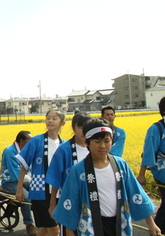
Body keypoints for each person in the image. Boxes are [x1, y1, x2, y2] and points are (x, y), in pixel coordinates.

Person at [53, 118, 160, 236]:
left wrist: (151, 224)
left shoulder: (120, 165)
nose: (102, 146)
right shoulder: (78, 171)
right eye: (97, 142)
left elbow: (136, 193)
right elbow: (71, 202)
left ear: (112, 141)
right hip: (91, 225)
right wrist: (69, 232)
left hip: (119, 222)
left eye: (106, 141)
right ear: (87, 143)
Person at [16, 109, 65, 236]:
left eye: (54, 118)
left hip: (58, 192)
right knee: (54, 230)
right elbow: (24, 165)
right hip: (40, 192)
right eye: (48, 118)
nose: (50, 121)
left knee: (44, 229)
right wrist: (19, 188)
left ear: (62, 123)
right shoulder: (36, 141)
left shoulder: (64, 144)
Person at [46, 112, 91, 235]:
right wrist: (53, 204)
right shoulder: (64, 149)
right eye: (80, 127)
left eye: (87, 127)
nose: (84, 131)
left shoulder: (94, 147)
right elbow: (55, 177)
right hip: (68, 201)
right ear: (74, 128)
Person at [0, 130, 36, 236]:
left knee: (40, 191)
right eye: (29, 141)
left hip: (26, 179)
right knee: (27, 197)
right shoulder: (10, 151)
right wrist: (31, 180)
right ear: (22, 141)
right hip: (10, 182)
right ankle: (29, 224)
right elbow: (16, 174)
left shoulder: (27, 150)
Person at [137, 97, 165, 233]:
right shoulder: (156, 129)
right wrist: (141, 174)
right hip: (162, 170)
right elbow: (148, 153)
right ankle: (157, 230)